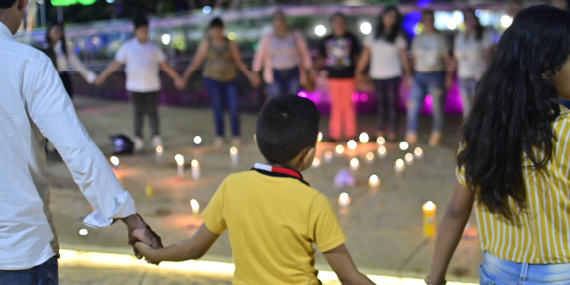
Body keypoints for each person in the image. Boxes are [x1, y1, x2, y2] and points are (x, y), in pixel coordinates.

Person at [0, 0, 162, 283]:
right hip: (20, 249)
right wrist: (132, 220)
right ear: (20, 3)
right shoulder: (28, 64)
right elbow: (76, 148)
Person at [134, 95, 375, 285]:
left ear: (258, 140)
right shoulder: (313, 202)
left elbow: (194, 248)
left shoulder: (232, 186)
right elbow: (350, 278)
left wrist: (155, 254)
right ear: (309, 154)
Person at [427, 6, 570, 285]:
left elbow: (456, 209)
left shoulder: (484, 126)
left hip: (497, 272)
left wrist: (435, 278)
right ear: (548, 65)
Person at [94, 16, 180, 152]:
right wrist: (103, 75)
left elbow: (164, 65)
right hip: (135, 87)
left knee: (153, 112)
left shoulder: (154, 48)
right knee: (138, 113)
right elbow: (116, 63)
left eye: (146, 31)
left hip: (152, 86)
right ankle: (138, 138)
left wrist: (176, 77)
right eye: (141, 31)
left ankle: (156, 136)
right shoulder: (128, 47)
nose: (144, 34)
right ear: (135, 31)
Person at [176, 17, 255, 147]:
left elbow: (239, 62)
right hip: (212, 79)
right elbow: (196, 62)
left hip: (230, 79)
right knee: (217, 107)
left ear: (222, 29)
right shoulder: (206, 43)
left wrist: (250, 75)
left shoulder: (230, 43)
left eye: (218, 29)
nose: (216, 32)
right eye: (214, 30)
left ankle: (236, 135)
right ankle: (220, 135)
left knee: (233, 107)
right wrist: (184, 77)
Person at [355, 6, 411, 142]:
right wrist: (358, 70)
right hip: (377, 74)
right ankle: (380, 129)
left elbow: (403, 56)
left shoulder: (398, 36)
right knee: (380, 103)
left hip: (393, 73)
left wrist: (408, 73)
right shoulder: (374, 35)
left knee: (392, 103)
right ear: (382, 17)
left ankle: (393, 131)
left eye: (393, 17)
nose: (390, 19)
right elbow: (366, 54)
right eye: (388, 16)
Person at [406, 9, 453, 146]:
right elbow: (413, 58)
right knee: (413, 104)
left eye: (430, 19)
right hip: (420, 73)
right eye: (425, 20)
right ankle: (411, 132)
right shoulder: (418, 38)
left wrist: (449, 75)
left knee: (437, 107)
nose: (427, 22)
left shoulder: (440, 38)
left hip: (436, 73)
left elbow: (447, 58)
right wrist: (409, 74)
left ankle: (437, 133)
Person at [318, 12, 361, 142]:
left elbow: (357, 56)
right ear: (332, 23)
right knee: (336, 105)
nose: (339, 24)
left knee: (348, 105)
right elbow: (322, 57)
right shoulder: (327, 39)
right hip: (333, 77)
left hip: (349, 76)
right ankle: (335, 134)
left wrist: (360, 72)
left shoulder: (351, 38)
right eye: (336, 21)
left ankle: (350, 134)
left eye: (341, 21)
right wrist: (314, 70)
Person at [252, 11, 313, 98]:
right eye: (277, 19)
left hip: (293, 71)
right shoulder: (268, 37)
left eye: (282, 19)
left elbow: (304, 53)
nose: (280, 22)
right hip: (275, 73)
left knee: (292, 98)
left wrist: (309, 69)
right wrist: (256, 72)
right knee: (276, 99)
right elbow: (259, 56)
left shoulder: (295, 35)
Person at [451, 8, 494, 118]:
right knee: (467, 106)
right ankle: (468, 132)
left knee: (479, 105)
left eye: (471, 18)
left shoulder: (483, 35)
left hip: (478, 75)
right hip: (463, 75)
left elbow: (488, 55)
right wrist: (449, 74)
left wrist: (489, 74)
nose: (469, 21)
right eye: (466, 18)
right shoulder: (461, 36)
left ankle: (481, 131)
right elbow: (456, 57)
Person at [44, 22, 97, 99]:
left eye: (60, 31)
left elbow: (77, 65)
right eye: (56, 31)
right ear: (49, 32)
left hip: (63, 79)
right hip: (49, 80)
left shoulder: (64, 49)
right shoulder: (44, 49)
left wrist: (92, 77)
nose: (58, 33)